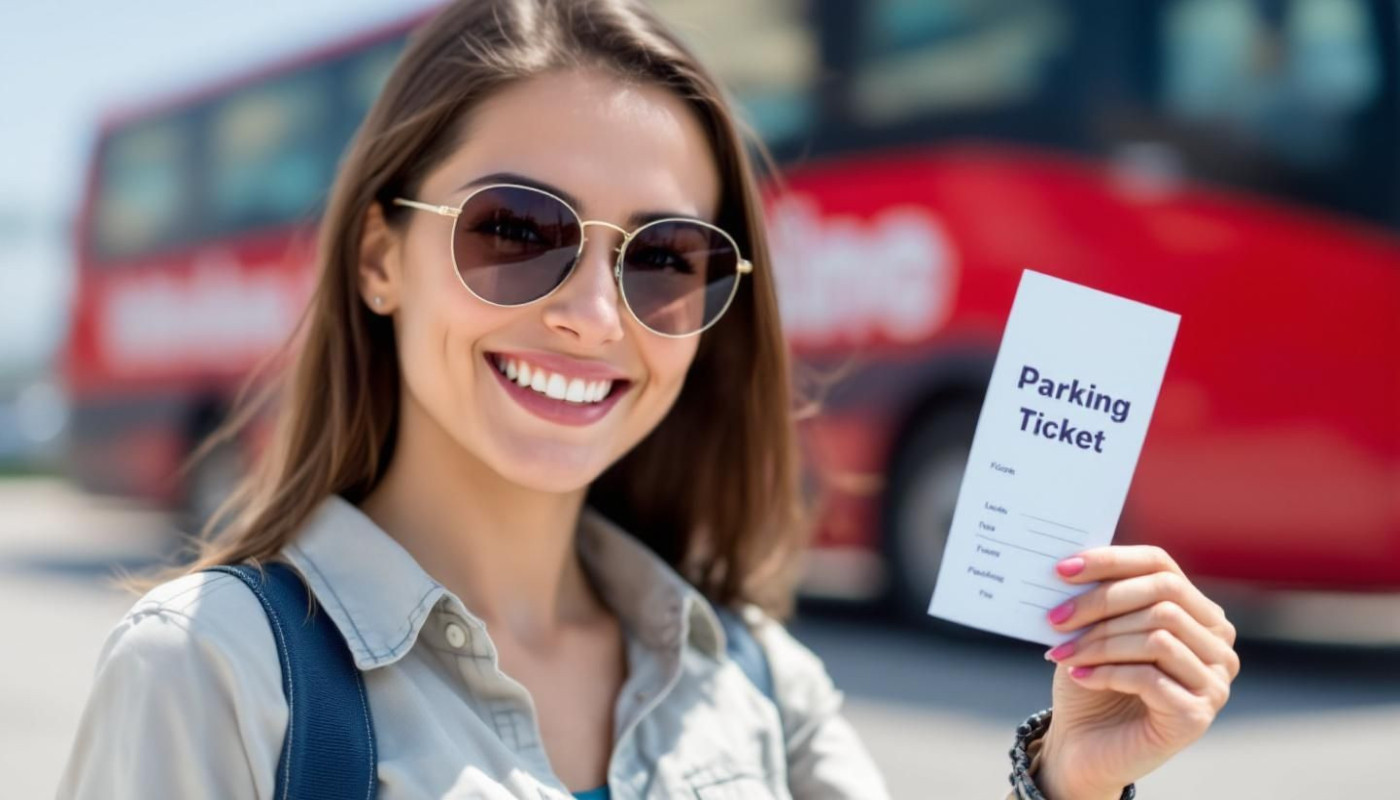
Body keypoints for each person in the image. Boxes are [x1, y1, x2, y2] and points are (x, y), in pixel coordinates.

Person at [57, 1, 1240, 798]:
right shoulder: (208, 672)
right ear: (377, 257)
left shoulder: (759, 679)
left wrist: (1071, 776)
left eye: (666, 258)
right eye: (515, 231)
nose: (594, 315)